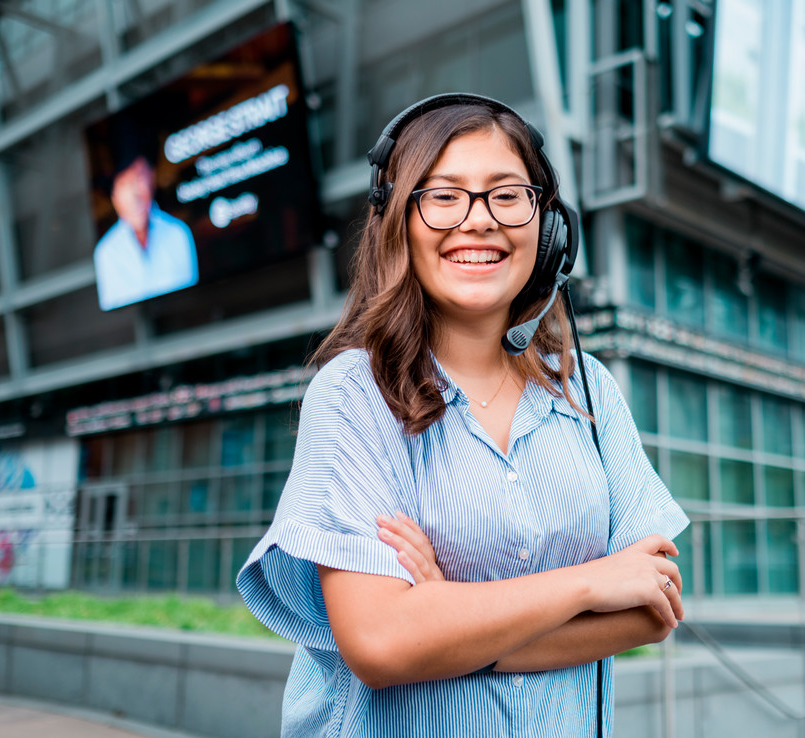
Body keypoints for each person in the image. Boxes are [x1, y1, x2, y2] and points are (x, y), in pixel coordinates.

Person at [237, 94, 689, 737]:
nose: (478, 221)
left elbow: (654, 605)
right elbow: (382, 643)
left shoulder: (588, 390)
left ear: (550, 229)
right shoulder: (353, 396)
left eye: (508, 195)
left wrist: (450, 618)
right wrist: (591, 584)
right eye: (443, 196)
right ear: (401, 221)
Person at [93, 153, 198, 311]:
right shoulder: (106, 252)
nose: (135, 195)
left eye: (139, 180)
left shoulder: (179, 233)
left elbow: (191, 297)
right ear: (115, 198)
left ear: (152, 181)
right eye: (125, 184)